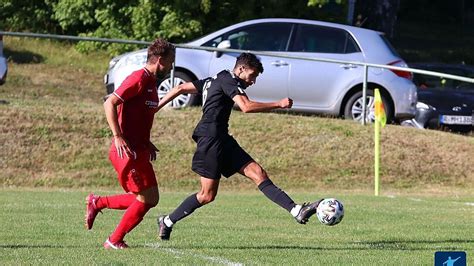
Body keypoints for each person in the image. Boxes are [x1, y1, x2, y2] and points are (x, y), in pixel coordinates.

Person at [155, 52, 321, 241]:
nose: (253, 81)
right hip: (210, 139)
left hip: (222, 139)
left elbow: (180, 88)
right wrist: (279, 104)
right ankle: (167, 221)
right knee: (207, 195)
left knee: (258, 173)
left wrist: (156, 108)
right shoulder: (229, 80)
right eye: (252, 75)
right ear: (241, 69)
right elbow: (246, 106)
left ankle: (297, 210)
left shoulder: (217, 78)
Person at [84, 38, 175, 249]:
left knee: (148, 197)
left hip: (139, 148)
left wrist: (147, 141)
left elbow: (140, 115)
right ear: (160, 60)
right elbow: (110, 103)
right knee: (146, 198)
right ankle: (114, 240)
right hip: (127, 151)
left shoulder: (151, 82)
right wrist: (117, 136)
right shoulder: (138, 78)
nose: (172, 66)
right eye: (170, 61)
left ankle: (97, 203)